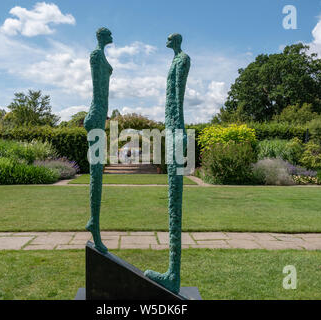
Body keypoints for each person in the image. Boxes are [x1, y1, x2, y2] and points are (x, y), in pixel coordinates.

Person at [145, 33, 191, 294]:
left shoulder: (182, 59)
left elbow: (177, 97)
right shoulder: (176, 60)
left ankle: (173, 275)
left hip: (176, 132)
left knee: (174, 202)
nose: (165, 40)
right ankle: (172, 272)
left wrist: (176, 132)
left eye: (169, 38)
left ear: (176, 40)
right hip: (173, 130)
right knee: (172, 201)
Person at [83, 27, 113, 254]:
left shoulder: (101, 56)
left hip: (100, 115)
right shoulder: (96, 56)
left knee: (98, 172)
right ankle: (94, 224)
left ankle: (94, 222)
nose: (112, 37)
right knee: (96, 173)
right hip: (95, 115)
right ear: (102, 37)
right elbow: (98, 89)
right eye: (109, 34)